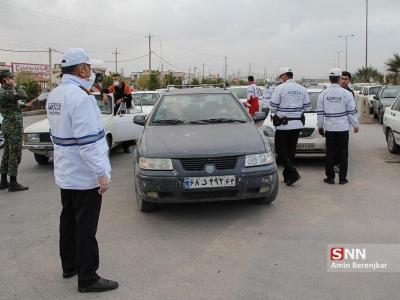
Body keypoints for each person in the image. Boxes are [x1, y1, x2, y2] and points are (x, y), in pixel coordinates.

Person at [46, 48, 118, 293]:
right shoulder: (81, 97)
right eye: (90, 68)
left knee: (68, 220)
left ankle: (70, 265)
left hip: (66, 172)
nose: (92, 73)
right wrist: (101, 174)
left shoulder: (56, 94)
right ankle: (88, 277)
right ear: (82, 70)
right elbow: (89, 142)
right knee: (86, 226)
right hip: (85, 174)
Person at [269, 67, 311, 186]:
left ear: (284, 76)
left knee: (280, 150)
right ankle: (288, 177)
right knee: (291, 151)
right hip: (297, 124)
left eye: (281, 77)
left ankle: (292, 173)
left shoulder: (280, 88)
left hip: (283, 125)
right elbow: (308, 107)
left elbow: (272, 107)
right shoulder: (302, 89)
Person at [317, 68, 359, 185]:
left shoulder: (323, 94)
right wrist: (355, 125)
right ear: (340, 78)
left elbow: (320, 113)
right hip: (343, 129)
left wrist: (320, 127)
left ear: (329, 79)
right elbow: (351, 112)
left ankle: (330, 178)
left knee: (330, 153)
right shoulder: (346, 94)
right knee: (343, 153)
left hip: (330, 128)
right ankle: (342, 179)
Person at [0, 69, 32, 192]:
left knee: (7, 153)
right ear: (5, 79)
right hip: (13, 126)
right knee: (15, 153)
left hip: (7, 125)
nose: (13, 79)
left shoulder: (4, 91)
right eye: (11, 77)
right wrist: (14, 85)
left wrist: (24, 105)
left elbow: (11, 103)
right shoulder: (5, 91)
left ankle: (3, 181)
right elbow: (24, 95)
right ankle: (13, 182)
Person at [102, 73, 132, 153]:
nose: (114, 81)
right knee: (116, 125)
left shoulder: (126, 87)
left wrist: (122, 99)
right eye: (113, 79)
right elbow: (104, 90)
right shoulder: (112, 87)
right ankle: (116, 140)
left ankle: (126, 147)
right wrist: (104, 95)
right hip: (116, 109)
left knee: (125, 127)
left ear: (120, 80)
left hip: (125, 109)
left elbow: (129, 98)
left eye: (116, 79)